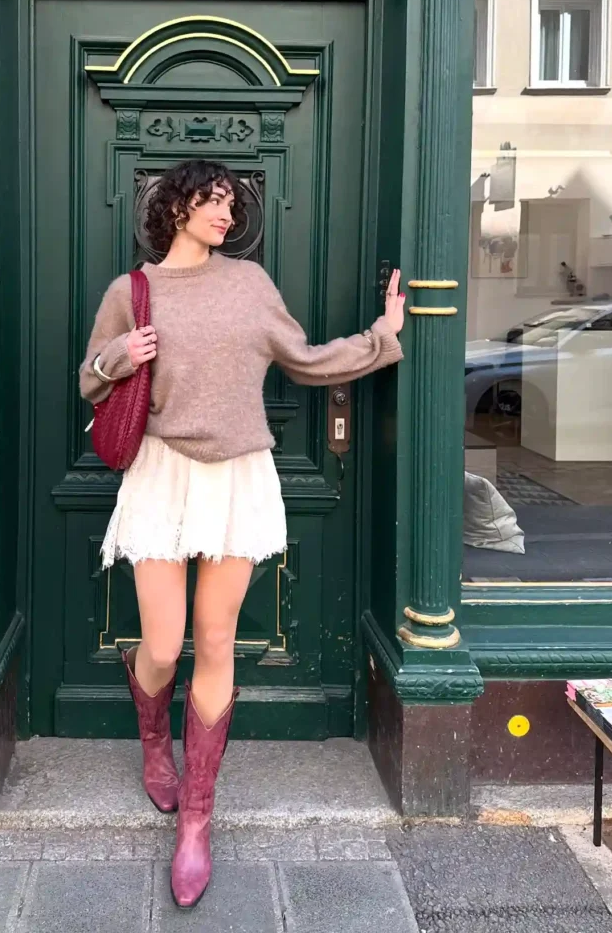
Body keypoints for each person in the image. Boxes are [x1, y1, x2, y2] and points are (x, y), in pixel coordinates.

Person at [79, 159, 405, 909]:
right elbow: (89, 380)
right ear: (175, 207)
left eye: (232, 203)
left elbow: (306, 360)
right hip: (161, 473)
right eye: (213, 201)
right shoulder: (132, 292)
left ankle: (197, 818)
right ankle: (154, 740)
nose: (227, 215)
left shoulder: (251, 285)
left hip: (238, 478)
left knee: (216, 642)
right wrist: (116, 356)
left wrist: (382, 337)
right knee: (162, 645)